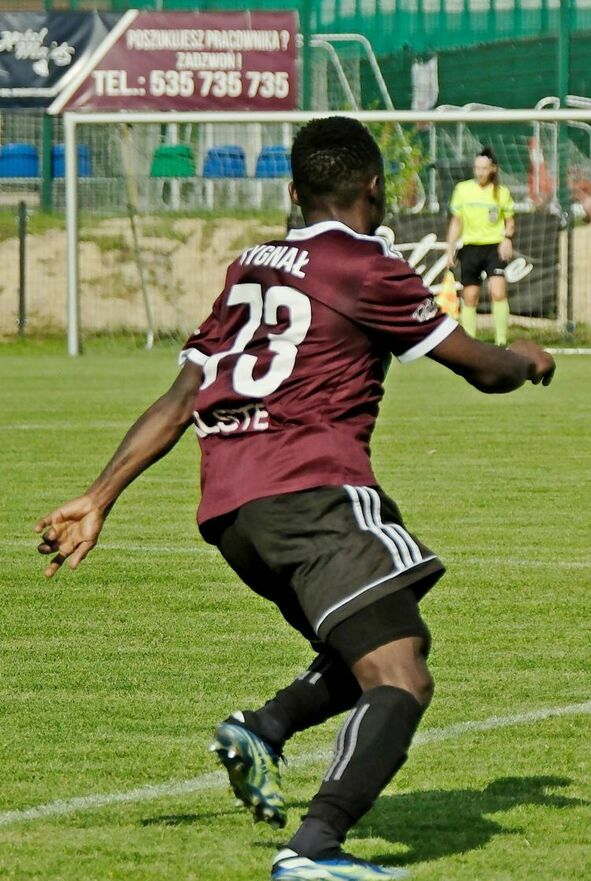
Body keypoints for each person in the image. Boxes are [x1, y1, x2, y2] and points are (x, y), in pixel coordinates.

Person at [35, 116, 556, 880]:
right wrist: (525, 358)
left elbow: (184, 394)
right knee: (402, 673)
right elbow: (477, 365)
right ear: (375, 187)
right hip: (308, 487)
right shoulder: (365, 262)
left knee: (369, 640)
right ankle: (314, 849)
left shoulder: (249, 266)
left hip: (232, 509)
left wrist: (99, 494)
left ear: (293, 189)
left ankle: (263, 727)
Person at [446, 146, 515, 346]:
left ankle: (501, 342)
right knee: (470, 296)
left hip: (494, 247)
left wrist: (507, 238)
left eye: (484, 168)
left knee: (498, 292)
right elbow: (456, 221)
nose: (480, 172)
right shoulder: (463, 189)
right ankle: (469, 342)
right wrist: (450, 247)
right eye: (477, 168)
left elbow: (510, 222)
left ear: (493, 169)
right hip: (470, 248)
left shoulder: (501, 193)